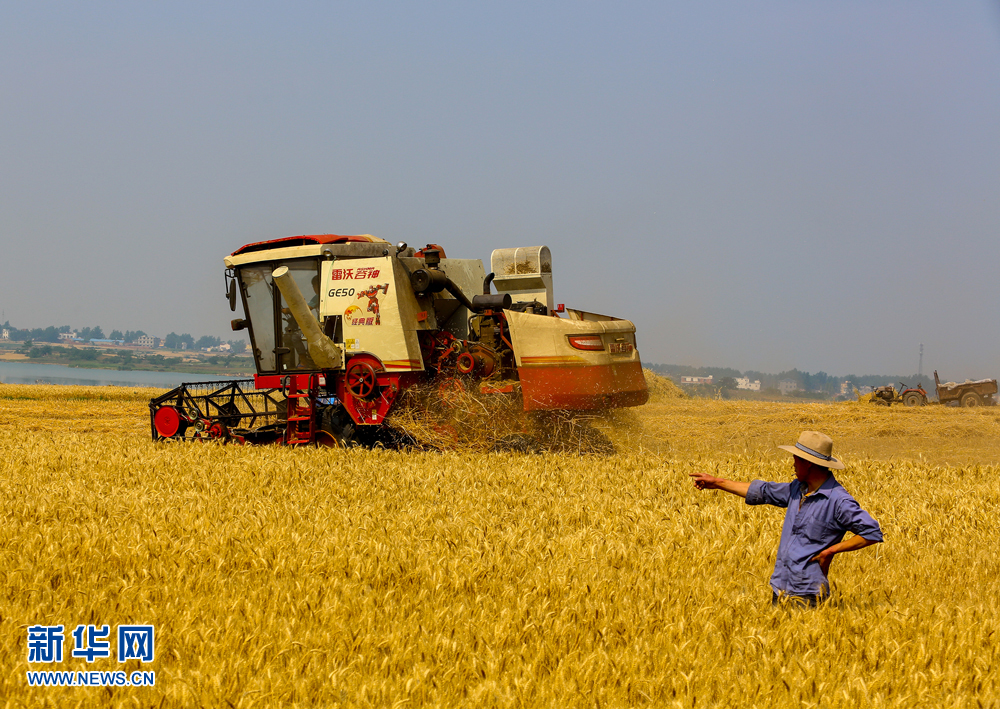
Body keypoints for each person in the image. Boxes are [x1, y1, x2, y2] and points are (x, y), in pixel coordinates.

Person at [689, 430, 883, 606]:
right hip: (780, 587)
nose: (792, 463)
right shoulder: (797, 490)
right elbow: (762, 491)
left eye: (796, 459)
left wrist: (830, 551)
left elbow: (872, 532)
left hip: (808, 594)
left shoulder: (838, 500)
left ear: (808, 463)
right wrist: (718, 482)